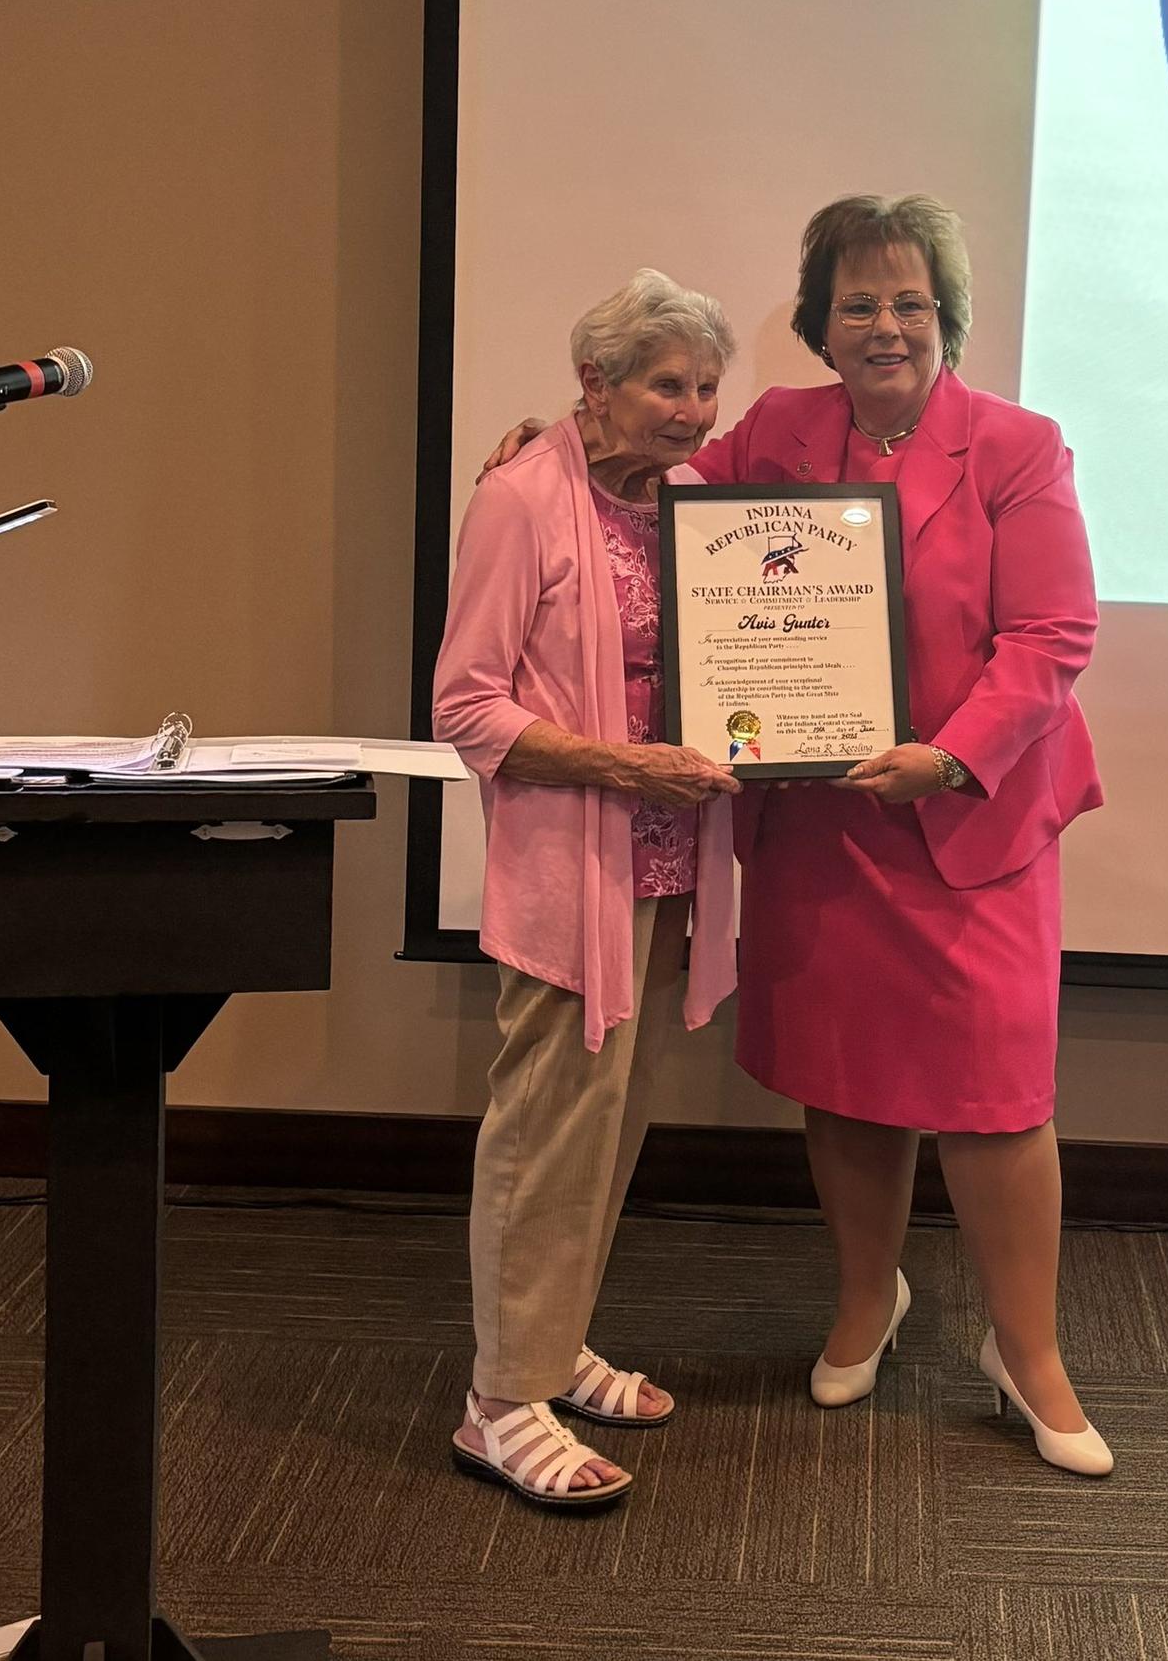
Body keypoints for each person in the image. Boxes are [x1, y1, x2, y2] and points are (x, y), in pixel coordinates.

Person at [482, 197, 1111, 1476]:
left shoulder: (1018, 447)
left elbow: (1054, 638)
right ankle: (867, 1299)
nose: (887, 325)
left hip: (970, 819)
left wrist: (949, 757)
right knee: (848, 1077)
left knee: (996, 1100)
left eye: (911, 302)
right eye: (858, 303)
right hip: (827, 823)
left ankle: (1029, 1352)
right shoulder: (778, 429)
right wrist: (557, 447)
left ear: (947, 317)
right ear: (822, 324)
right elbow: (661, 503)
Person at [434, 267, 742, 1507]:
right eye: (668, 385)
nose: (694, 410)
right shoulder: (519, 498)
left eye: (708, 387)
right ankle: (500, 1402)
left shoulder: (695, 502)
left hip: (666, 866)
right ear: (594, 384)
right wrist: (625, 766)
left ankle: (549, 1347)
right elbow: (468, 706)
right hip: (573, 870)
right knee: (546, 1128)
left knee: (607, 1127)